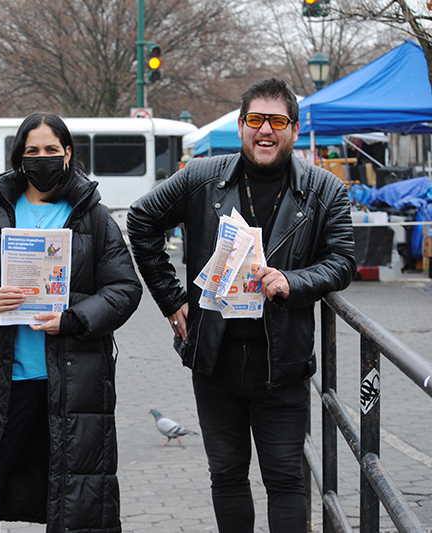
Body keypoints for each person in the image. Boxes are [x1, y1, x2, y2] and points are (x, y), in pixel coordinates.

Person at [127, 78, 357, 533]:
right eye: (256, 120)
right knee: (227, 475)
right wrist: (173, 299)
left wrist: (294, 281)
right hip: (215, 361)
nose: (265, 130)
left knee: (286, 479)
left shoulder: (323, 190)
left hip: (283, 363)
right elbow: (141, 220)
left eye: (276, 121)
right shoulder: (202, 177)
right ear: (240, 126)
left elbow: (344, 260)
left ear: (293, 129)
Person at [0, 112, 142, 533]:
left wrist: (73, 318)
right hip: (5, 377)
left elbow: (125, 289)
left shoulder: (93, 215)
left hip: (75, 381)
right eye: (32, 151)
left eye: (51, 150)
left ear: (68, 153)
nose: (42, 159)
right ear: (19, 157)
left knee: (75, 496)